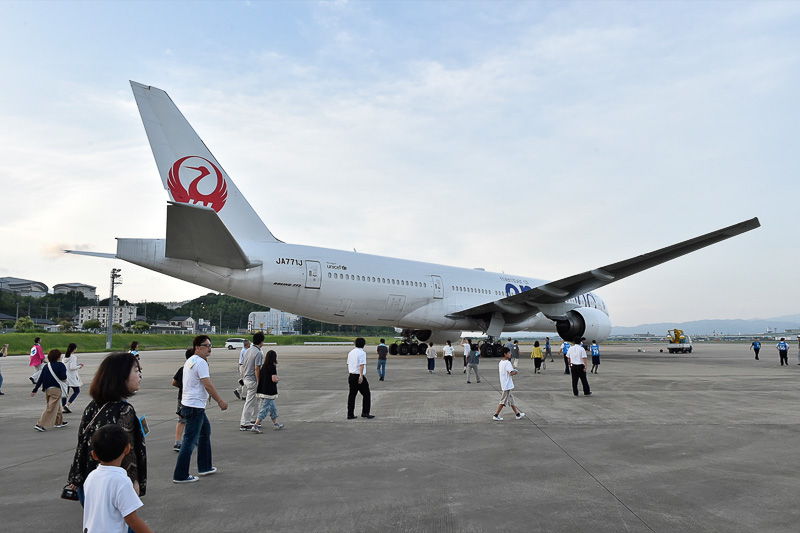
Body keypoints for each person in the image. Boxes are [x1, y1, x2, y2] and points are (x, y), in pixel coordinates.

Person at [67, 351, 147, 504]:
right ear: (121, 377)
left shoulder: (93, 406)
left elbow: (82, 444)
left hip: (90, 482)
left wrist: (76, 476)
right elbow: (128, 452)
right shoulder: (124, 410)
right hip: (113, 488)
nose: (140, 376)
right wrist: (133, 484)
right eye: (136, 371)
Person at [173, 335, 228, 483]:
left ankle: (205, 466)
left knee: (204, 432)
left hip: (190, 405)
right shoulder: (200, 362)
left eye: (211, 345)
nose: (210, 348)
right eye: (207, 345)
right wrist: (220, 401)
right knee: (189, 441)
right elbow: (208, 384)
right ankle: (180, 475)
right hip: (194, 407)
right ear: (197, 347)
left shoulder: (190, 361)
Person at [82, 424, 154, 533]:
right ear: (127, 448)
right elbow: (131, 518)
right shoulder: (121, 481)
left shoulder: (91, 477)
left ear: (94, 455)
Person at [31, 348, 69, 431]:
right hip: (56, 389)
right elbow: (63, 377)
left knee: (55, 405)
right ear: (58, 357)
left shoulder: (46, 366)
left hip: (47, 389)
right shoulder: (61, 365)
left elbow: (40, 379)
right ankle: (40, 424)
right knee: (51, 407)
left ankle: (59, 422)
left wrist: (35, 389)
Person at [251, 349, 283, 432]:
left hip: (263, 390)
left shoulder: (263, 367)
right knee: (265, 408)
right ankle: (256, 425)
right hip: (269, 391)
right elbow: (273, 379)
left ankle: (276, 424)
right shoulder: (272, 367)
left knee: (272, 407)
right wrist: (278, 379)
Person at [239, 332, 264, 431]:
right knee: (250, 402)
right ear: (261, 342)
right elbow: (257, 368)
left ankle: (254, 419)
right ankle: (244, 423)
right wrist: (259, 381)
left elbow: (244, 365)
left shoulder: (247, 350)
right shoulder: (258, 352)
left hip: (247, 378)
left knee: (257, 400)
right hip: (253, 380)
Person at [493, 347, 525, 421]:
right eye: (509, 353)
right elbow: (511, 373)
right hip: (507, 385)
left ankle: (517, 414)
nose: (510, 354)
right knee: (503, 401)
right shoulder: (508, 362)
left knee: (511, 400)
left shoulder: (501, 362)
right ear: (505, 354)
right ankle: (496, 415)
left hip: (505, 384)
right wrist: (515, 372)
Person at [171, 349, 193, 452]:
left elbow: (174, 382)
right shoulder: (193, 369)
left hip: (182, 397)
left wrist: (182, 387)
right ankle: (191, 439)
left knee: (182, 420)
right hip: (191, 398)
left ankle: (177, 442)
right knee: (193, 419)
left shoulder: (182, 369)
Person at [347, 337, 374, 420]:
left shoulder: (351, 352)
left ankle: (350, 414)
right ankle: (365, 412)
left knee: (352, 395)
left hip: (351, 375)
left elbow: (348, 363)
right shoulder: (362, 353)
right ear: (363, 344)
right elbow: (361, 364)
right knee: (366, 394)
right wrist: (361, 376)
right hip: (358, 376)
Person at [62, 342, 84, 413]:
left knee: (65, 393)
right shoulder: (73, 357)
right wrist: (79, 366)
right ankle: (67, 405)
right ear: (74, 349)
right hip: (71, 377)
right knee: (77, 391)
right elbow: (72, 367)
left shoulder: (64, 357)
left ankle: (63, 406)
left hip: (65, 376)